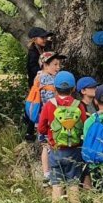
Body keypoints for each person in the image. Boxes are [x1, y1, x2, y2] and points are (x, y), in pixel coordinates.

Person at [37, 71, 88, 203]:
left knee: (57, 185)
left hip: (55, 150)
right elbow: (84, 126)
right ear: (73, 89)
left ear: (55, 87)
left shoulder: (49, 105)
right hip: (74, 150)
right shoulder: (79, 105)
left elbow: (41, 128)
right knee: (73, 185)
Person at [35, 51, 65, 184]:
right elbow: (50, 103)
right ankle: (49, 173)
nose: (58, 67)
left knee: (46, 146)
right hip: (49, 120)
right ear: (45, 65)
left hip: (41, 119)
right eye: (55, 64)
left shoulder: (39, 77)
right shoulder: (47, 80)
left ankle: (47, 172)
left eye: (59, 64)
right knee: (49, 146)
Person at [24, 27, 53, 142]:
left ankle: (34, 130)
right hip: (36, 84)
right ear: (35, 39)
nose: (45, 39)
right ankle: (30, 132)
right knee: (36, 105)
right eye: (42, 37)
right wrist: (43, 72)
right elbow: (32, 68)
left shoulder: (41, 48)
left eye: (46, 37)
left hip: (40, 82)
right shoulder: (33, 52)